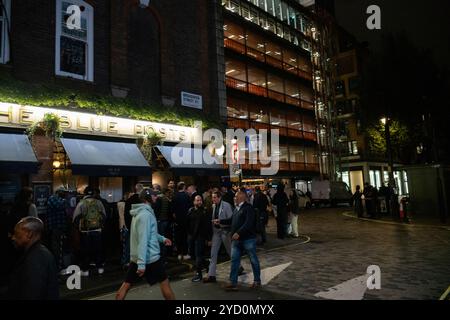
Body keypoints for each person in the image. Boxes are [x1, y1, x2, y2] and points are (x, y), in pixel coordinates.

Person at [115, 189, 175, 300]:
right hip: (150, 258)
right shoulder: (145, 215)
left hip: (138, 258)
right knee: (165, 283)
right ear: (148, 198)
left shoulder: (140, 213)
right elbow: (143, 239)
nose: (156, 197)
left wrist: (162, 238)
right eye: (154, 195)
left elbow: (148, 234)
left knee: (126, 285)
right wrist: (142, 264)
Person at [7, 217, 59, 300]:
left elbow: (33, 293)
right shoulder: (38, 253)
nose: (13, 238)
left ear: (29, 234)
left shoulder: (37, 258)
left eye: (16, 234)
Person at [224, 190, 261, 291]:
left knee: (253, 260)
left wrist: (238, 233)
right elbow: (231, 221)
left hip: (248, 239)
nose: (234, 198)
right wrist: (220, 221)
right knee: (234, 261)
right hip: (236, 241)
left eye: (236, 196)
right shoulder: (236, 208)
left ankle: (257, 281)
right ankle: (233, 282)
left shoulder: (248, 208)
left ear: (242, 197)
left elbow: (248, 223)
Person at [72, 186, 106, 276]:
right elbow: (104, 216)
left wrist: (77, 228)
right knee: (98, 249)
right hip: (97, 230)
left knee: (86, 250)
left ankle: (85, 270)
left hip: (85, 231)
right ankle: (100, 268)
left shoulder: (81, 203)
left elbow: (75, 218)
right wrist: (101, 226)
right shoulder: (98, 202)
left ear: (85, 193)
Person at [203, 191, 234, 283]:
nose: (213, 199)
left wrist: (220, 221)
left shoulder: (226, 205)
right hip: (216, 232)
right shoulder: (213, 206)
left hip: (225, 231)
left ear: (220, 197)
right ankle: (211, 275)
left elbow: (231, 220)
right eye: (212, 197)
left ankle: (238, 267)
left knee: (230, 251)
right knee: (213, 253)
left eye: (215, 197)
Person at [187, 195, 211, 282]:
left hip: (200, 237)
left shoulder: (205, 211)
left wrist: (209, 239)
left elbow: (208, 226)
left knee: (198, 255)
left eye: (200, 200)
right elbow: (188, 223)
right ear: (194, 202)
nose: (199, 202)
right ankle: (207, 264)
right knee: (193, 254)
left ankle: (198, 274)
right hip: (191, 236)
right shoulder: (190, 210)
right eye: (197, 200)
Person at [46, 187, 68, 274]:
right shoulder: (53, 199)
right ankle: (58, 268)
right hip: (55, 227)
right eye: (64, 193)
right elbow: (59, 206)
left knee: (59, 247)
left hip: (59, 227)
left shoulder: (58, 199)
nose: (65, 195)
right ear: (59, 192)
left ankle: (59, 267)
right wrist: (65, 200)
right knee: (57, 248)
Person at [172, 182, 191, 260]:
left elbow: (173, 210)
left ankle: (179, 254)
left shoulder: (175, 196)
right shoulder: (187, 196)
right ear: (184, 187)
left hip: (178, 220)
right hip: (186, 220)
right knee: (185, 237)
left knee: (178, 237)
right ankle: (185, 253)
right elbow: (189, 208)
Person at [118, 192, 131, 268]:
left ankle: (124, 260)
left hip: (122, 226)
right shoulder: (124, 205)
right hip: (126, 226)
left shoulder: (120, 204)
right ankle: (125, 261)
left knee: (124, 245)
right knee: (126, 245)